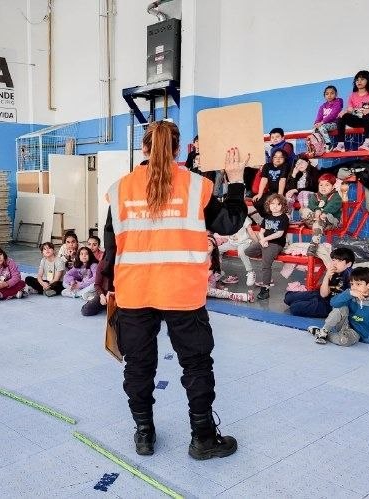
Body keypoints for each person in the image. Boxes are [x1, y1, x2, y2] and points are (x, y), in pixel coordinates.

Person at [103, 120, 247, 460]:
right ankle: (203, 439)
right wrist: (236, 180)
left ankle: (144, 434)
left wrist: (108, 289)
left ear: (144, 147)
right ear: (178, 149)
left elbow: (111, 248)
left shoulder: (119, 189)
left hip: (134, 292)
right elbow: (230, 223)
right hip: (183, 293)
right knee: (196, 365)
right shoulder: (197, 186)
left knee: (138, 366)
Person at [309, 267, 369, 348]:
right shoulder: (350, 293)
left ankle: (320, 332)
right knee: (340, 307)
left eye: (358, 284)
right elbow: (333, 303)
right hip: (343, 324)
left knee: (344, 341)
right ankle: (323, 331)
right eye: (352, 284)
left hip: (357, 333)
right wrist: (349, 293)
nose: (354, 287)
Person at [284, 247, 354, 318]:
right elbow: (324, 293)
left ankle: (305, 303)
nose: (335, 263)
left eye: (339, 261)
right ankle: (305, 302)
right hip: (323, 296)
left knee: (294, 307)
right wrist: (327, 276)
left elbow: (324, 294)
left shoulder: (349, 275)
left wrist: (327, 276)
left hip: (329, 306)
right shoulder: (337, 271)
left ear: (348, 264)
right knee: (288, 297)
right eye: (333, 260)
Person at [244, 193, 290, 300]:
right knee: (247, 251)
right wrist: (262, 240)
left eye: (278, 204)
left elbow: (279, 234)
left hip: (276, 244)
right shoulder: (267, 217)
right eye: (272, 203)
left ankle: (265, 289)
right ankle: (267, 254)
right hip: (265, 243)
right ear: (268, 205)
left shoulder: (284, 218)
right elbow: (261, 232)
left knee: (265, 265)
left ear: (282, 206)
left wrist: (265, 239)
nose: (275, 206)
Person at [332, 70, 369, 152]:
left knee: (366, 114)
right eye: (357, 80)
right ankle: (340, 145)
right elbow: (350, 110)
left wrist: (368, 110)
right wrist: (345, 112)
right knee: (341, 117)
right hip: (358, 119)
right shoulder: (353, 94)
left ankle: (368, 143)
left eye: (362, 79)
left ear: (368, 80)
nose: (359, 81)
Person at [213, 215, 257, 286]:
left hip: (244, 242)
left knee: (241, 252)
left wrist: (258, 243)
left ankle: (250, 272)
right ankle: (218, 271)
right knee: (217, 249)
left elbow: (251, 232)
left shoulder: (243, 217)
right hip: (232, 242)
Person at [206, 236, 253, 302]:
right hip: (199, 282)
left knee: (206, 291)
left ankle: (238, 296)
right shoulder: (199, 258)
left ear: (213, 247)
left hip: (207, 283)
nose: (206, 247)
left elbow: (205, 276)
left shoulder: (212, 260)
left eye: (209, 245)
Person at [312, 85, 344, 151]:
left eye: (332, 93)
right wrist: (316, 123)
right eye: (327, 94)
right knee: (315, 130)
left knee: (322, 127)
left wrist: (322, 122)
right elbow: (319, 117)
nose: (329, 95)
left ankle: (329, 144)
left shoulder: (338, 103)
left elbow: (333, 115)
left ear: (336, 94)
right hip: (324, 124)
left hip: (335, 123)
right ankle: (319, 147)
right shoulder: (322, 106)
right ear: (324, 96)